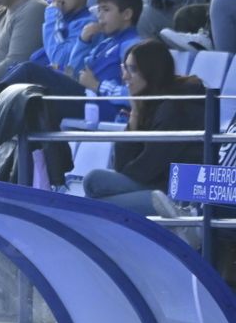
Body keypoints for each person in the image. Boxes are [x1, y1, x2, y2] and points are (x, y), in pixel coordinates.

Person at [81, 37, 203, 214]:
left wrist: (137, 115)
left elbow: (145, 170)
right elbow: (122, 166)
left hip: (178, 196)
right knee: (94, 187)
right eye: (124, 68)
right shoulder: (152, 103)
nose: (124, 77)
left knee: (94, 194)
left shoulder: (175, 107)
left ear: (151, 71)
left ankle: (179, 219)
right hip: (155, 188)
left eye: (132, 69)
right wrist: (135, 115)